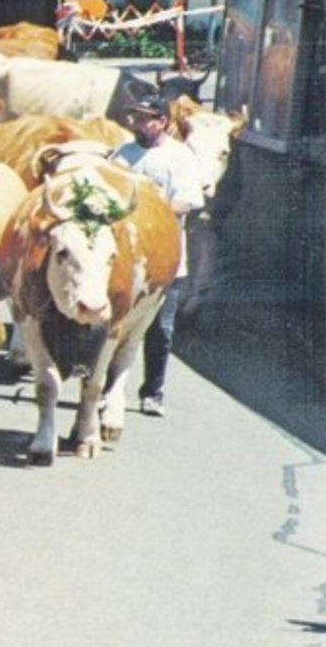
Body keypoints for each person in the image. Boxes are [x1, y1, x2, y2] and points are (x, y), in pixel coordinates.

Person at [110, 97, 205, 417]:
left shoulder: (179, 156)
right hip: (123, 257)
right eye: (135, 117)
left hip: (164, 260)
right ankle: (107, 388)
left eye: (146, 119)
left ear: (163, 122)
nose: (138, 124)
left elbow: (187, 199)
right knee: (112, 325)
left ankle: (152, 391)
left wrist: (151, 217)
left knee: (160, 330)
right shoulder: (123, 154)